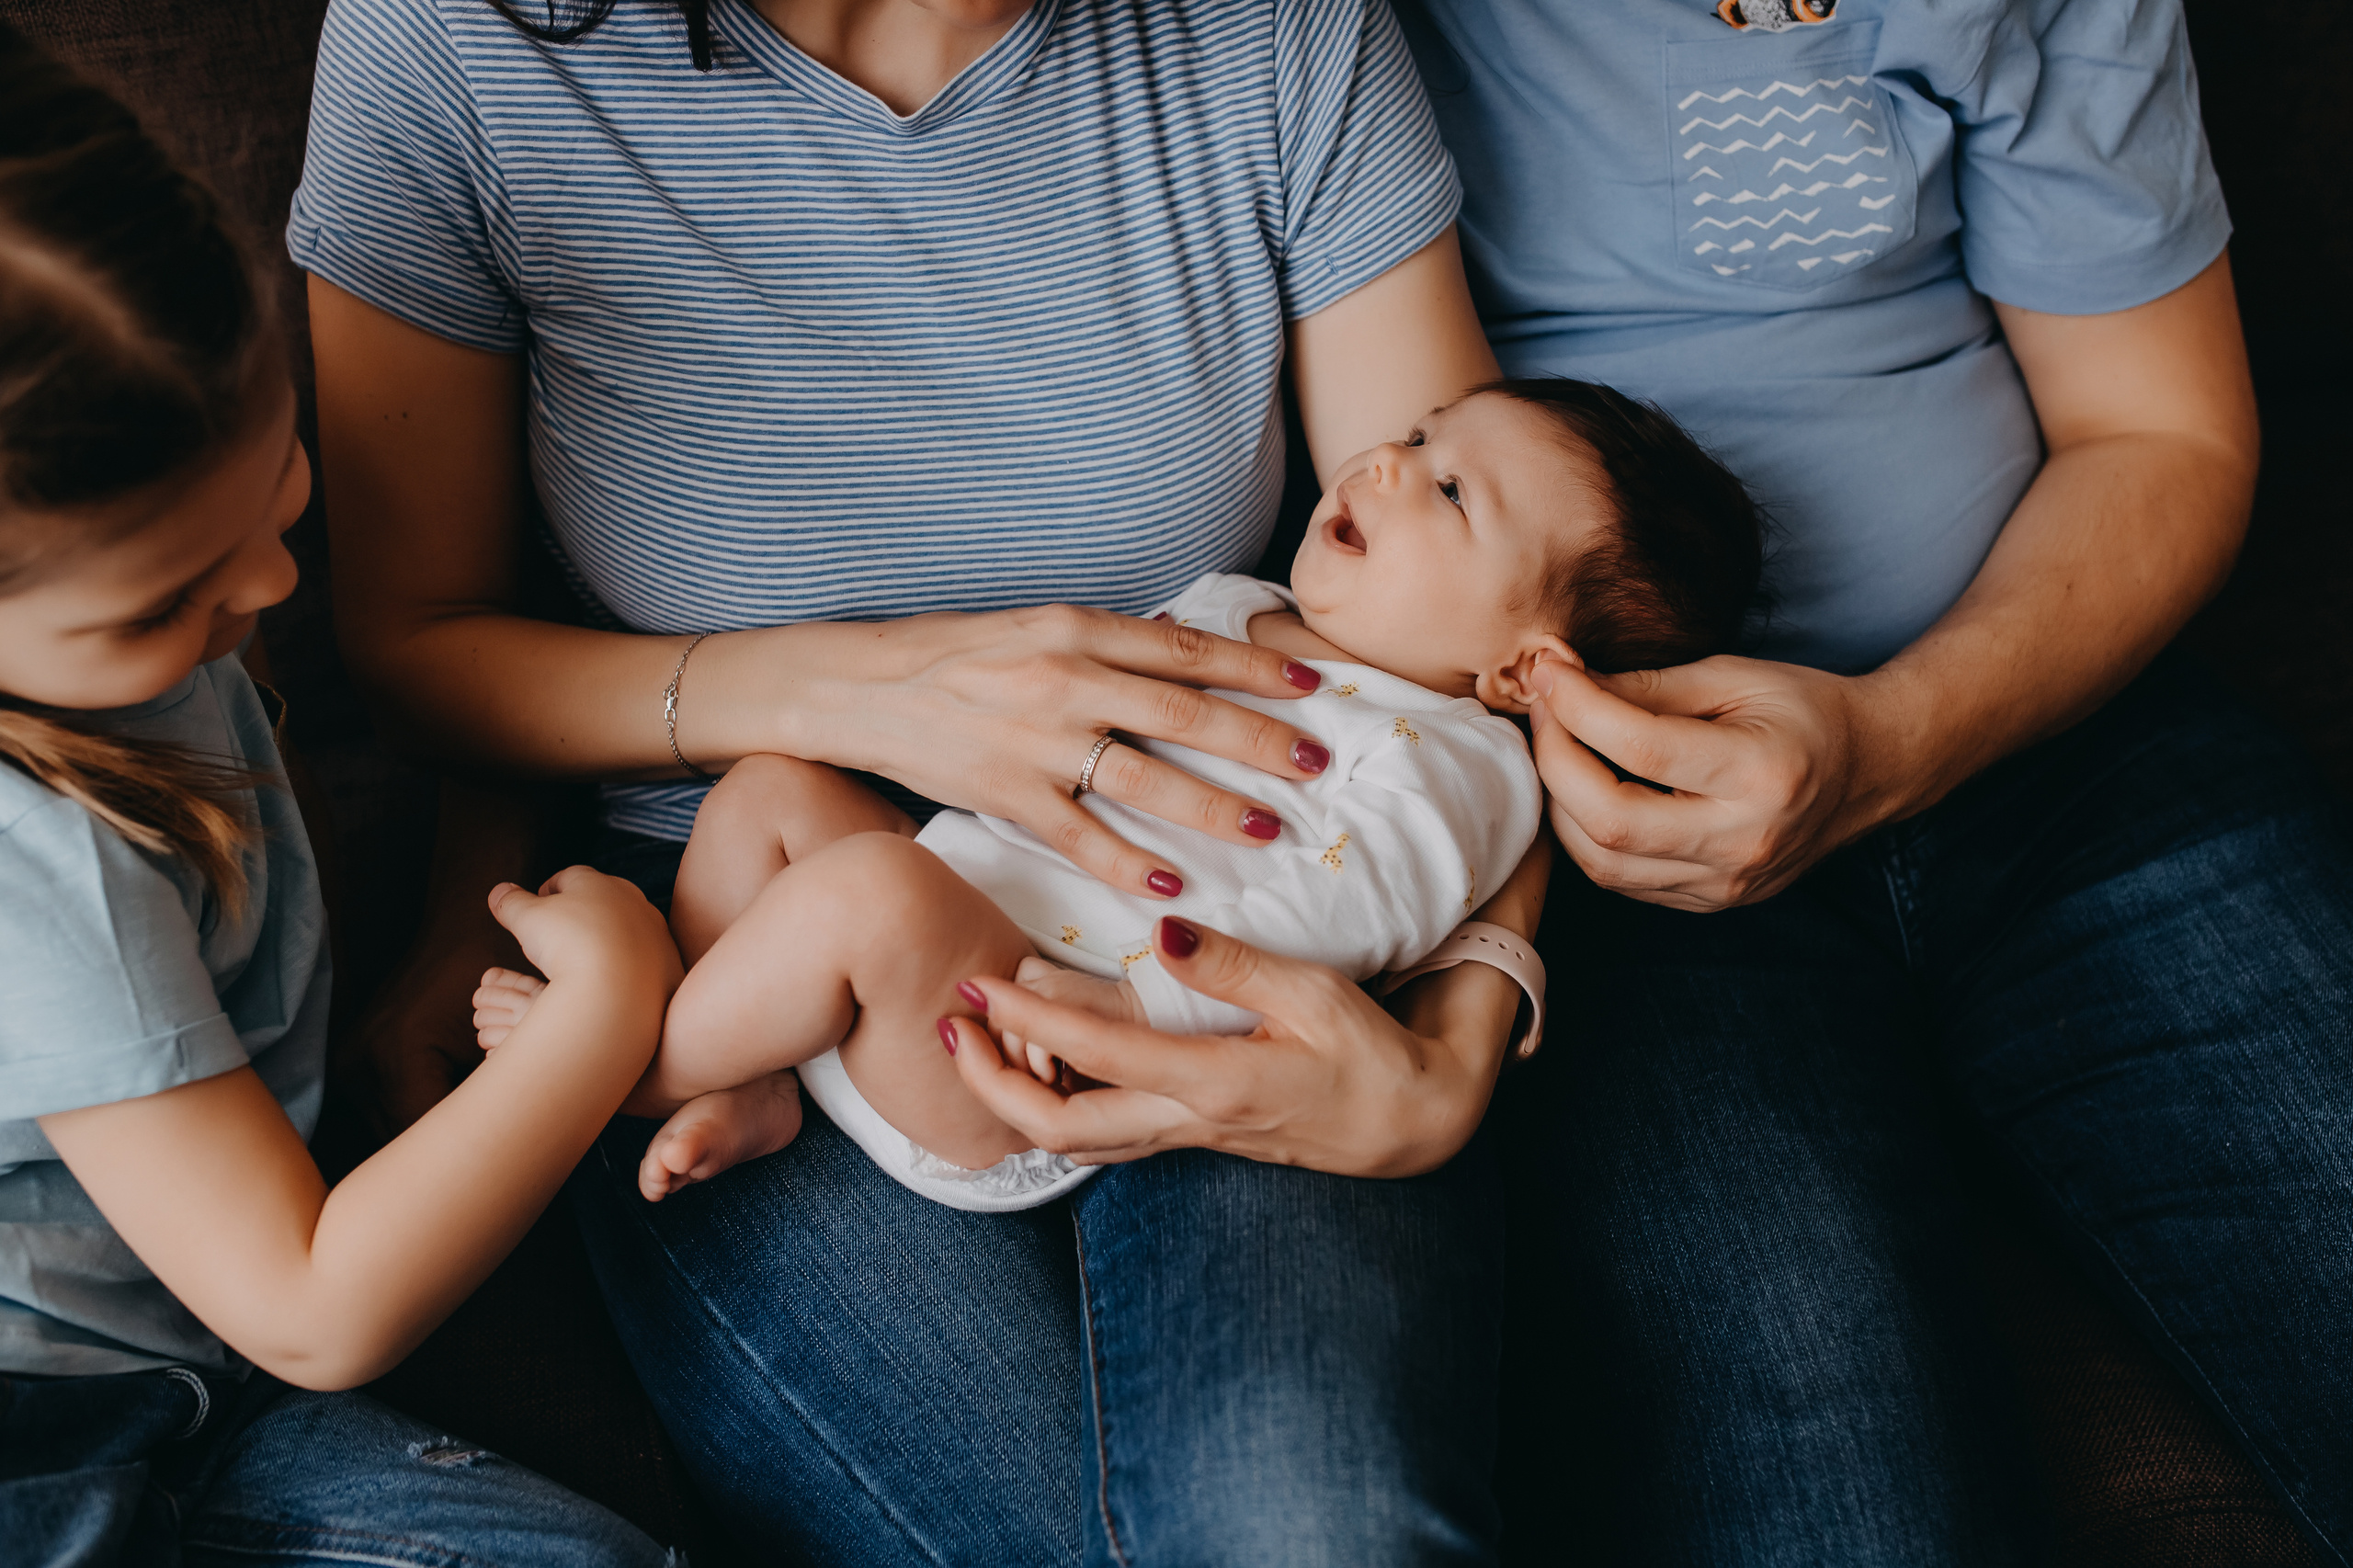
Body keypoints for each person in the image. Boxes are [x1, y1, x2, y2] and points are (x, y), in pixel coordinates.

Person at [295, 0, 1542, 1559]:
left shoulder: (1269, 28)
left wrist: (1456, 1037)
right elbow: (412, 646)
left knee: (1315, 1529)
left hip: (1222, 940)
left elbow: (1493, 652)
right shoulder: (455, 42)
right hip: (743, 939)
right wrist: (873, 694)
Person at [1377, 0, 2353, 1561]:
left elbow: (2160, 430)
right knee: (1830, 1497)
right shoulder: (1322, 41)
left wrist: (1893, 736)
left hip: (2062, 731)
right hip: (1613, 865)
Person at [471, 379, 1763, 1212]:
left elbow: (1345, 929)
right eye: (1419, 435)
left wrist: (1133, 1009)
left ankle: (611, 1065)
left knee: (863, 890)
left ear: (1522, 664)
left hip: (1039, 1048)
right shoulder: (1241, 608)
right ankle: (742, 1079)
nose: (1380, 462)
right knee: (770, 789)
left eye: (1447, 490)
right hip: (967, 903)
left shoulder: (1460, 766)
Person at [0, 31, 682, 1564]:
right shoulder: (42, 870)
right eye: (169, 599)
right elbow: (315, 1305)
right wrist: (599, 1021)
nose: (274, 583)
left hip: (188, 1376)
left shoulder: (95, 632)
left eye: (282, 485)